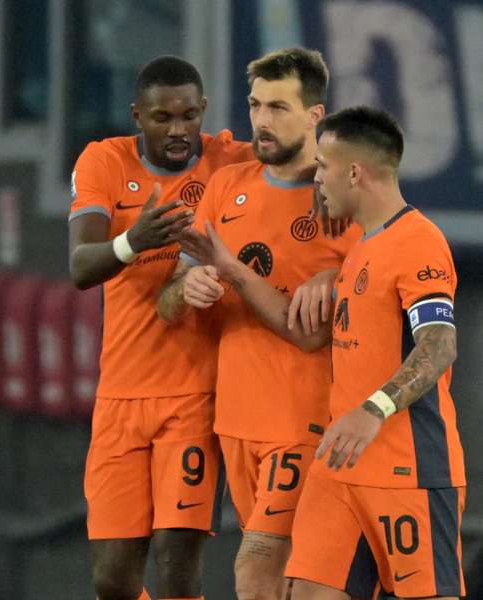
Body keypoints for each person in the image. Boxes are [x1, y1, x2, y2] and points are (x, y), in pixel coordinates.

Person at [157, 48, 359, 600]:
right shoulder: (227, 187)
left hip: (305, 421)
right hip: (237, 420)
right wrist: (186, 289)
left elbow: (318, 328)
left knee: (256, 567)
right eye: (254, 105)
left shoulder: (341, 200)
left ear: (316, 116)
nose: (261, 121)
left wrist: (336, 278)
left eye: (278, 107)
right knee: (294, 578)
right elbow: (168, 298)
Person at [68, 56, 253, 600]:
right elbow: (80, 267)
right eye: (161, 117)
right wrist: (134, 241)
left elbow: (300, 162)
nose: (177, 130)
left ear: (203, 112)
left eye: (188, 116)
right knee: (113, 580)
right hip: (120, 397)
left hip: (194, 395)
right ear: (136, 116)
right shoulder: (104, 161)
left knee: (177, 565)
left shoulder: (225, 161)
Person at [283, 107, 465, 600]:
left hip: (407, 470)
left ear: (354, 172)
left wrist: (374, 408)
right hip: (340, 466)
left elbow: (440, 344)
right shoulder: (362, 248)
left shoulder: (419, 243)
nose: (316, 177)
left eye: (322, 165)